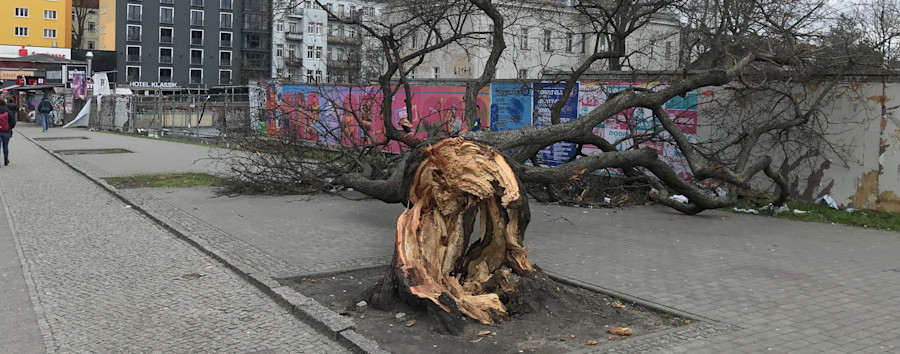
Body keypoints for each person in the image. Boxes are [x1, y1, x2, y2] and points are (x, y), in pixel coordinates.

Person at [0, 99, 16, 166]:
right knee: (5, 146)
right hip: (6, 131)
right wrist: (9, 128)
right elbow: (13, 122)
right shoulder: (8, 111)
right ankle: (6, 159)